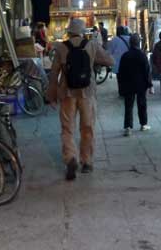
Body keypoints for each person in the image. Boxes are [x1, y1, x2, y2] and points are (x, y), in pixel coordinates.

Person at [46, 19, 114, 180]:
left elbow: (54, 74)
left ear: (68, 32)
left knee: (67, 129)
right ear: (83, 31)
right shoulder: (90, 45)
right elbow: (109, 60)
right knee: (87, 127)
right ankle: (87, 162)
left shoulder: (61, 47)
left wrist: (51, 95)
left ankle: (70, 158)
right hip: (87, 93)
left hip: (67, 93)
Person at [117, 33, 152, 136]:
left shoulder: (125, 56)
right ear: (138, 43)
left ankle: (128, 127)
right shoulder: (142, 55)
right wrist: (150, 85)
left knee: (128, 106)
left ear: (130, 43)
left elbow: (121, 73)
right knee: (142, 104)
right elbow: (147, 71)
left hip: (128, 84)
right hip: (141, 84)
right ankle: (143, 124)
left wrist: (121, 87)